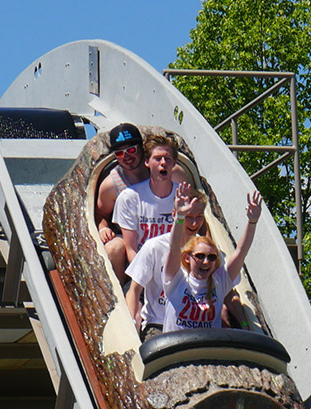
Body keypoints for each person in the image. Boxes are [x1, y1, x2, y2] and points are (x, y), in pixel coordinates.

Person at [157, 185, 261, 335]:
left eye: (211, 257)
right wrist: (179, 217)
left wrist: (252, 223)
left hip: (208, 352)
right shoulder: (176, 280)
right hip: (178, 351)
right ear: (187, 258)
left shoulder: (219, 282)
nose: (205, 262)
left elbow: (240, 252)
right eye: (199, 256)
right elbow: (174, 248)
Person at [126, 187, 209, 337]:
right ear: (175, 214)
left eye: (199, 217)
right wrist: (130, 323)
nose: (195, 223)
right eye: (189, 217)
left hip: (194, 325)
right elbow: (134, 289)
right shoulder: (154, 246)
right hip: (159, 324)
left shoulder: (207, 251)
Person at [111, 133, 182, 275]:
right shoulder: (129, 197)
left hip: (176, 270)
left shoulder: (183, 196)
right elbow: (131, 250)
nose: (163, 163)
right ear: (147, 162)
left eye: (167, 159)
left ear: (174, 163)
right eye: (157, 158)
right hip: (143, 270)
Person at [95, 123, 148, 280]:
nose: (127, 156)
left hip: (159, 231)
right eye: (120, 153)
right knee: (113, 248)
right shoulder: (111, 185)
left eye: (131, 150)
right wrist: (103, 228)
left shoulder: (158, 171)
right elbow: (100, 214)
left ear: (141, 148)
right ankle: (119, 295)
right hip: (129, 238)